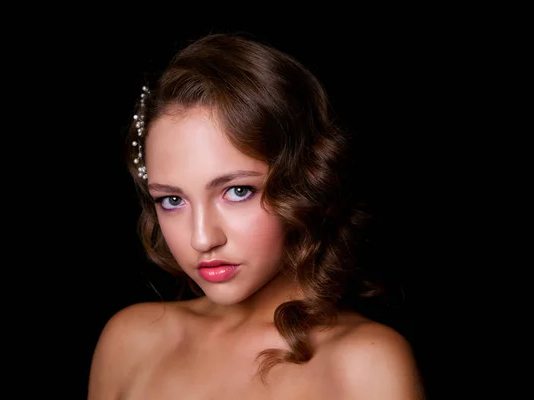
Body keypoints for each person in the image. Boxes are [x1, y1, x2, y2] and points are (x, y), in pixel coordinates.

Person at [88, 32, 425, 399]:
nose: (202, 238)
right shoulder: (130, 342)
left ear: (303, 183)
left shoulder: (366, 364)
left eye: (237, 192)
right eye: (172, 200)